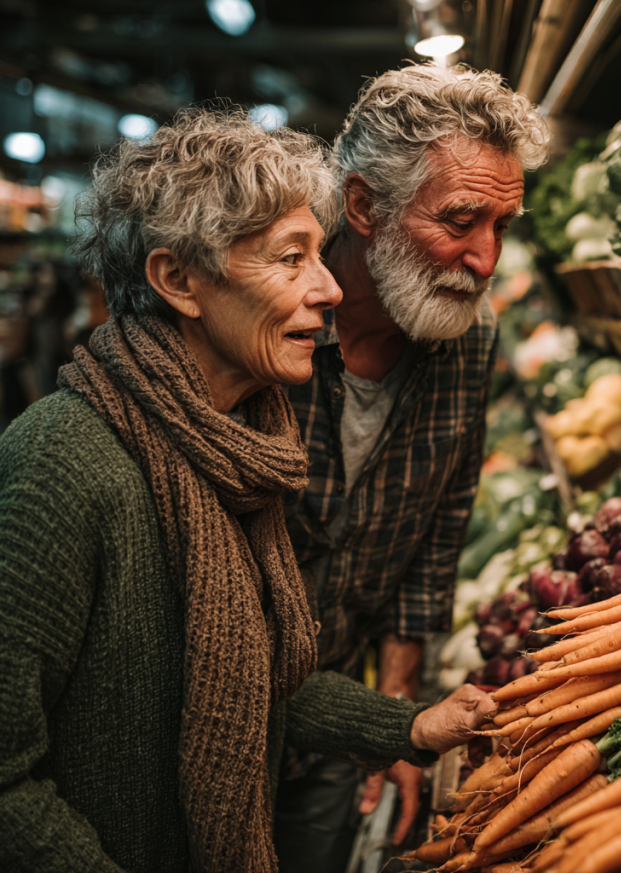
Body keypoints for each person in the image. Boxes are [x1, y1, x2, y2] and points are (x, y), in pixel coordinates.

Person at [0, 107, 494, 873]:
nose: (328, 287)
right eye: (290, 258)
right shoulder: (61, 464)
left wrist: (411, 726)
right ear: (177, 280)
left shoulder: (235, 447)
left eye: (318, 254)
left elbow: (247, 680)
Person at [278, 64, 550, 870]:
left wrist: (395, 713)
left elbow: (436, 534)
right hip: (212, 708)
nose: (485, 259)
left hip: (341, 719)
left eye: (502, 224)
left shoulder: (469, 336)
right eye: (461, 219)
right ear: (362, 206)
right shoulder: (269, 320)